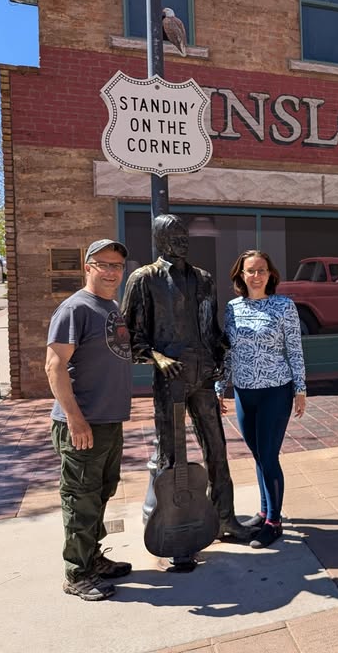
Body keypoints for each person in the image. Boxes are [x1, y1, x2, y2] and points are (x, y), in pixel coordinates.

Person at [121, 214, 254, 552]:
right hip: (172, 379)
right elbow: (129, 338)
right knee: (170, 453)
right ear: (158, 239)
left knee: (218, 451)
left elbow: (211, 329)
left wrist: (232, 347)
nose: (182, 239)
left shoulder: (204, 278)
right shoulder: (143, 279)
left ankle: (225, 517)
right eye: (173, 234)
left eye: (184, 233)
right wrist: (156, 357)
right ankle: (170, 522)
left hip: (204, 375)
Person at [46, 239, 133, 601]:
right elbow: (54, 366)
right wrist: (75, 418)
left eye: (117, 266)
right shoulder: (74, 309)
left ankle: (92, 558)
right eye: (104, 264)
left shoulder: (110, 306)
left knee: (100, 494)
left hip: (109, 421)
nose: (112, 272)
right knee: (80, 499)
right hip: (83, 424)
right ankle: (77, 573)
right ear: (88, 266)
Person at [217, 250, 307, 549]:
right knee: (258, 455)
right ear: (240, 275)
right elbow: (228, 352)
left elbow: (294, 349)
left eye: (262, 270)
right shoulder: (232, 308)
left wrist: (300, 389)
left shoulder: (284, 306)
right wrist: (220, 388)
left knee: (268, 456)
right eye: (250, 271)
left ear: (271, 275)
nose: (256, 276)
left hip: (275, 391)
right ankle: (264, 510)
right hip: (244, 392)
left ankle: (274, 522)